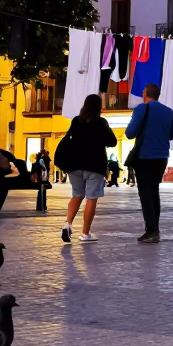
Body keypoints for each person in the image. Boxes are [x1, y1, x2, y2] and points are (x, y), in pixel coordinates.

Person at [124, 83, 173, 243]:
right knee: (154, 191)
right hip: (162, 157)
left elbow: (129, 133)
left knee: (145, 194)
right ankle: (155, 228)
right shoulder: (169, 112)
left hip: (144, 156)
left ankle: (151, 230)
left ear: (145, 94)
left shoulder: (141, 109)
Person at [60, 94, 118, 243]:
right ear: (99, 107)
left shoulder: (76, 121)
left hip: (75, 165)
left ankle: (67, 224)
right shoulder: (101, 122)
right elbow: (113, 142)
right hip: (95, 165)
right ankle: (85, 233)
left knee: (77, 195)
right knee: (91, 198)